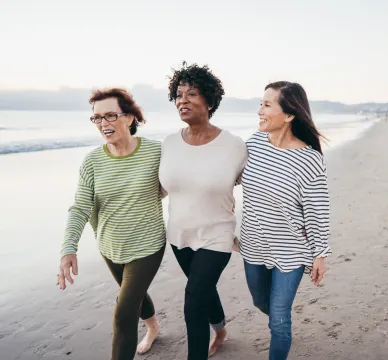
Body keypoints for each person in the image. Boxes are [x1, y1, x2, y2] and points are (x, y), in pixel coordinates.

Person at [57, 88, 167, 360]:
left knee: (125, 308)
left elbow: (183, 182)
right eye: (96, 118)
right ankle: (153, 329)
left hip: (148, 245)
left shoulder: (157, 152)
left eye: (110, 115)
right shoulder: (93, 161)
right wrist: (68, 248)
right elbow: (80, 206)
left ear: (129, 118)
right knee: (134, 295)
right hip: (110, 246)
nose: (103, 123)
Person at [159, 62, 247, 360]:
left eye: (192, 93)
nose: (182, 100)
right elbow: (158, 189)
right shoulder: (169, 144)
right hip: (179, 234)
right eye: (178, 94)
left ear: (209, 101)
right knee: (203, 289)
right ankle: (220, 329)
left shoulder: (234, 146)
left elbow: (255, 188)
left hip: (217, 234)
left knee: (193, 299)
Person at [239, 81, 332, 360]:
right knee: (260, 302)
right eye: (260, 103)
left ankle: (282, 332)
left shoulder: (309, 160)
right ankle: (281, 323)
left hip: (291, 251)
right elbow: (228, 176)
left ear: (289, 115)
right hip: (253, 244)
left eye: (267, 105)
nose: (260, 111)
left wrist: (320, 254)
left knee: (279, 320)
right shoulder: (253, 143)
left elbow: (318, 210)